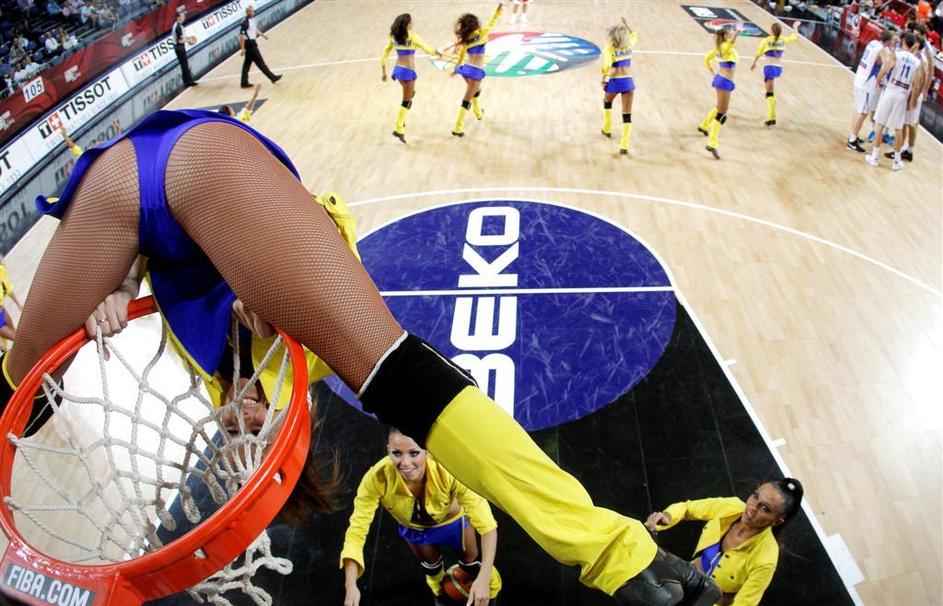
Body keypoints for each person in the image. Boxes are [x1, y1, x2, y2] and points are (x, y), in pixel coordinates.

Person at [0, 108, 721, 606]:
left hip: (141, 181)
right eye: (251, 435)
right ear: (283, 426)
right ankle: (614, 550)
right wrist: (236, 290)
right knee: (407, 378)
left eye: (231, 431)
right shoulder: (300, 367)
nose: (237, 425)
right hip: (212, 177)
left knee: (19, 389)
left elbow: (165, 248)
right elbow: (303, 240)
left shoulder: (215, 371)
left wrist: (119, 287)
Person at [341, 428, 502, 606]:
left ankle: (493, 591)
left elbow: (487, 526)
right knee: (431, 567)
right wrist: (351, 585)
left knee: (471, 564)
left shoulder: (449, 468)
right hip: (416, 529)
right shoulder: (376, 478)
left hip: (454, 523)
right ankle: (439, 594)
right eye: (397, 453)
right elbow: (356, 532)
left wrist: (484, 579)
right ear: (388, 450)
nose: (405, 463)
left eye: (414, 453)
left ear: (427, 450)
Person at [645, 479, 804, 606]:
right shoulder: (731, 506)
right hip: (685, 579)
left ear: (777, 521)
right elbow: (688, 508)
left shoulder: (766, 559)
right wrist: (668, 516)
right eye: (755, 496)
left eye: (765, 508)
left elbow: (745, 603)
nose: (752, 507)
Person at [865, 31, 922, 170]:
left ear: (903, 42)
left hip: (890, 90)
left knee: (880, 124)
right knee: (898, 128)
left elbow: (885, 69)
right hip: (902, 95)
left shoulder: (897, 54)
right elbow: (916, 85)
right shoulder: (917, 62)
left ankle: (874, 157)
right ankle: (896, 161)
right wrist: (912, 101)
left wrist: (878, 80)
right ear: (912, 45)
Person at [380, 13, 440, 144]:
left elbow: (385, 53)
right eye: (411, 22)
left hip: (398, 70)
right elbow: (428, 50)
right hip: (408, 72)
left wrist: (384, 71)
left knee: (410, 94)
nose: (412, 24)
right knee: (406, 102)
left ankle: (400, 124)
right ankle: (398, 128)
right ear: (407, 24)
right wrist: (437, 53)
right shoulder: (413, 37)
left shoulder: (394, 37)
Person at [450, 3, 503, 138]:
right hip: (475, 72)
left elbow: (461, 57)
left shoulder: (465, 40)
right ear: (475, 25)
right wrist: (499, 10)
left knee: (475, 91)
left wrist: (456, 69)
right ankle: (457, 128)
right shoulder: (482, 34)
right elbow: (493, 21)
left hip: (466, 69)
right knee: (466, 99)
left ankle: (478, 112)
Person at [846, 29, 895, 152]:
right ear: (888, 41)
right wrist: (880, 79)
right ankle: (852, 141)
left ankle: (853, 135)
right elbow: (887, 66)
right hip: (867, 84)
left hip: (859, 78)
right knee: (863, 113)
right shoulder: (882, 50)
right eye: (893, 40)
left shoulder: (873, 43)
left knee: (858, 110)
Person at [698, 23, 742, 159]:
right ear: (725, 35)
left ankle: (704, 126)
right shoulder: (724, 46)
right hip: (724, 81)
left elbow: (706, 58)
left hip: (722, 79)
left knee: (719, 108)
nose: (731, 32)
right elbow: (731, 43)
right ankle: (712, 143)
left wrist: (711, 70)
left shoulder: (718, 47)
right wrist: (738, 32)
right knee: (722, 114)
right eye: (730, 32)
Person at [600, 18, 638, 156]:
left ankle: (607, 129)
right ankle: (624, 146)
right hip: (628, 82)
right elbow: (634, 34)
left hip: (615, 82)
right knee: (626, 115)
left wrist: (603, 77)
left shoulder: (609, 49)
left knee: (607, 102)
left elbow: (607, 65)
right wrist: (626, 25)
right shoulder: (629, 45)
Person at [749, 22, 798, 127]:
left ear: (771, 30)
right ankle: (772, 107)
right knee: (770, 92)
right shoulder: (782, 39)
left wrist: (754, 63)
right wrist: (795, 27)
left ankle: (772, 117)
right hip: (778, 67)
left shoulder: (766, 40)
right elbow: (794, 37)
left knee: (769, 93)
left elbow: (758, 53)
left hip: (769, 67)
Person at [239, 5, 282, 89]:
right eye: (252, 11)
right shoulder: (245, 23)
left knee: (246, 64)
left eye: (253, 11)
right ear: (248, 12)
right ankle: (272, 77)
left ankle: (244, 83)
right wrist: (242, 48)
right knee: (260, 63)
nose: (253, 12)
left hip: (252, 43)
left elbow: (255, 30)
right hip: (250, 45)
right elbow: (242, 36)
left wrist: (263, 35)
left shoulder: (252, 20)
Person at [0, 258, 23, 352]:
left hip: (2, 312)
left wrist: (18, 303)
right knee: (19, 340)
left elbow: (8, 288)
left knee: (19, 336)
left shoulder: (1, 270)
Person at [173, 6, 198, 87]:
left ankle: (187, 81)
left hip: (178, 47)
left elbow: (181, 37)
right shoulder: (178, 26)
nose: (184, 17)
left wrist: (188, 38)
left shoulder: (177, 25)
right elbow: (180, 40)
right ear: (178, 17)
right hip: (179, 47)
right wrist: (189, 41)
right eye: (182, 16)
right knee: (184, 64)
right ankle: (188, 81)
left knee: (184, 64)